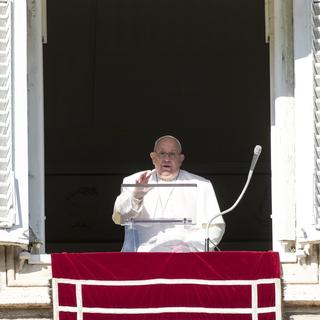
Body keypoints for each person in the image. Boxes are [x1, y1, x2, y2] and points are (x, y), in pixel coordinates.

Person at [112, 135, 225, 252]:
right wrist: (136, 196)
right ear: (153, 157)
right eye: (161, 153)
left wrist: (191, 247)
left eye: (172, 154)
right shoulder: (134, 181)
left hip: (186, 257)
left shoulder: (201, 185)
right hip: (143, 257)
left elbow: (215, 227)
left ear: (181, 159)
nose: (167, 158)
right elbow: (120, 216)